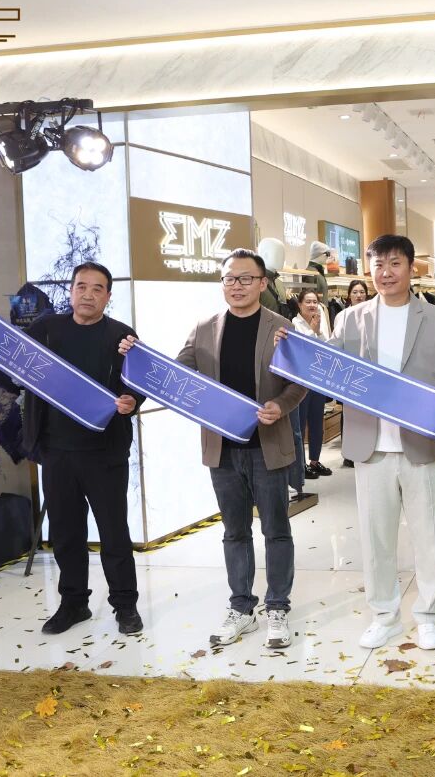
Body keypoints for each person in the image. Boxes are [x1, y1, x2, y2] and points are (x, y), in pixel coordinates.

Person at [122, 248, 305, 649]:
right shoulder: (204, 328)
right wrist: (138, 357)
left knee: (276, 529)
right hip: (222, 449)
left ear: (262, 283)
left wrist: (280, 405)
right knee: (234, 531)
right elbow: (177, 374)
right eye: (229, 279)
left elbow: (300, 382)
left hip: (267, 445)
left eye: (245, 278)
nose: (236, 286)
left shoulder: (282, 327)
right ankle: (242, 608)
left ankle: (277, 607)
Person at [293, 234, 435, 652]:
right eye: (378, 265)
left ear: (410, 268)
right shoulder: (351, 318)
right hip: (369, 446)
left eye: (395, 264)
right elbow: (329, 365)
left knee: (429, 537)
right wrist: (298, 344)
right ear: (369, 270)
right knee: (376, 540)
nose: (386, 273)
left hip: (420, 443)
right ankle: (385, 617)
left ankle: (429, 617)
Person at [0, 263, 145, 636]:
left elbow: (136, 383)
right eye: (81, 286)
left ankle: (125, 605)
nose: (88, 294)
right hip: (56, 451)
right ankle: (74, 604)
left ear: (108, 296)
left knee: (114, 532)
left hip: (105, 452)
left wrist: (131, 401)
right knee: (66, 533)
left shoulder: (121, 336)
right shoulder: (46, 329)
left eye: (97, 289)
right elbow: (7, 359)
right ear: (70, 290)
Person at [292, 289, 332, 479]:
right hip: (301, 382)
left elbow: (326, 347)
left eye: (315, 302)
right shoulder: (294, 323)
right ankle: (300, 465)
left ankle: (314, 461)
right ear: (300, 305)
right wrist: (313, 332)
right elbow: (302, 348)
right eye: (308, 302)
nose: (312, 305)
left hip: (318, 379)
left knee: (317, 422)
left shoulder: (319, 321)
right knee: (300, 424)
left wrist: (318, 332)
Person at [340, 279, 370, 469]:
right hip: (348, 371)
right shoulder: (342, 316)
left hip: (368, 371)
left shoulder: (373, 314)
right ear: (349, 295)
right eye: (355, 292)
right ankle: (349, 453)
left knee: (365, 413)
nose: (359, 295)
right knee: (349, 412)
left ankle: (365, 448)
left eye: (362, 292)